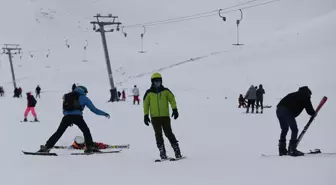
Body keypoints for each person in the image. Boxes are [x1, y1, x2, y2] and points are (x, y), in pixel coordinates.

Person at [37, 86, 110, 153]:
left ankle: (46, 147)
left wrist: (69, 120)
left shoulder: (67, 96)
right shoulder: (83, 97)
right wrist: (104, 114)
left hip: (66, 117)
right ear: (84, 91)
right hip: (78, 117)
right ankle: (89, 147)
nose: (86, 94)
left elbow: (64, 110)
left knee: (59, 132)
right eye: (86, 92)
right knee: (86, 131)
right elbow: (94, 109)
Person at [143, 72, 182, 159]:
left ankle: (177, 150)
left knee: (168, 133)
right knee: (158, 134)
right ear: (152, 82)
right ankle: (162, 151)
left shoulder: (166, 91)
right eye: (155, 81)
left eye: (159, 81)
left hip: (165, 117)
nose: (157, 83)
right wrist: (146, 115)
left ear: (161, 81)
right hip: (154, 117)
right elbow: (146, 104)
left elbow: (172, 99)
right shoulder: (149, 93)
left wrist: (174, 109)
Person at [276, 86, 315, 156]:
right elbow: (309, 108)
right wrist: (313, 113)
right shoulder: (305, 95)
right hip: (287, 110)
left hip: (279, 110)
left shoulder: (294, 94)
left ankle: (281, 149)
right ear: (308, 92)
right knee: (294, 129)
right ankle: (292, 149)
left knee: (284, 129)